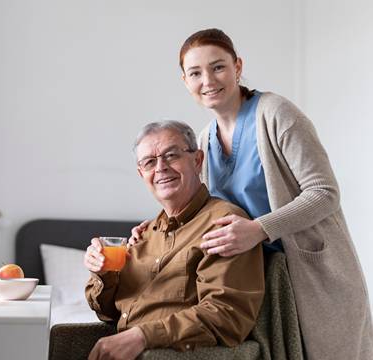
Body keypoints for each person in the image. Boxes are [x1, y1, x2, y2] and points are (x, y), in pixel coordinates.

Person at [129, 29, 373, 360]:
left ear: (237, 67)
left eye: (218, 67)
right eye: (196, 73)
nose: (209, 80)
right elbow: (197, 210)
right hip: (258, 282)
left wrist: (258, 229)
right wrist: (152, 230)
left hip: (312, 278)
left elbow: (325, 193)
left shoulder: (276, 114)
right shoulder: (203, 142)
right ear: (185, 81)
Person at [84, 121, 265, 360]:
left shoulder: (225, 223)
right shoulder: (145, 233)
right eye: (149, 162)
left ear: (197, 161)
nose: (160, 168)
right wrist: (103, 272)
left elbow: (226, 315)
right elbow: (109, 313)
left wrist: (142, 336)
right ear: (142, 174)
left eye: (171, 155)